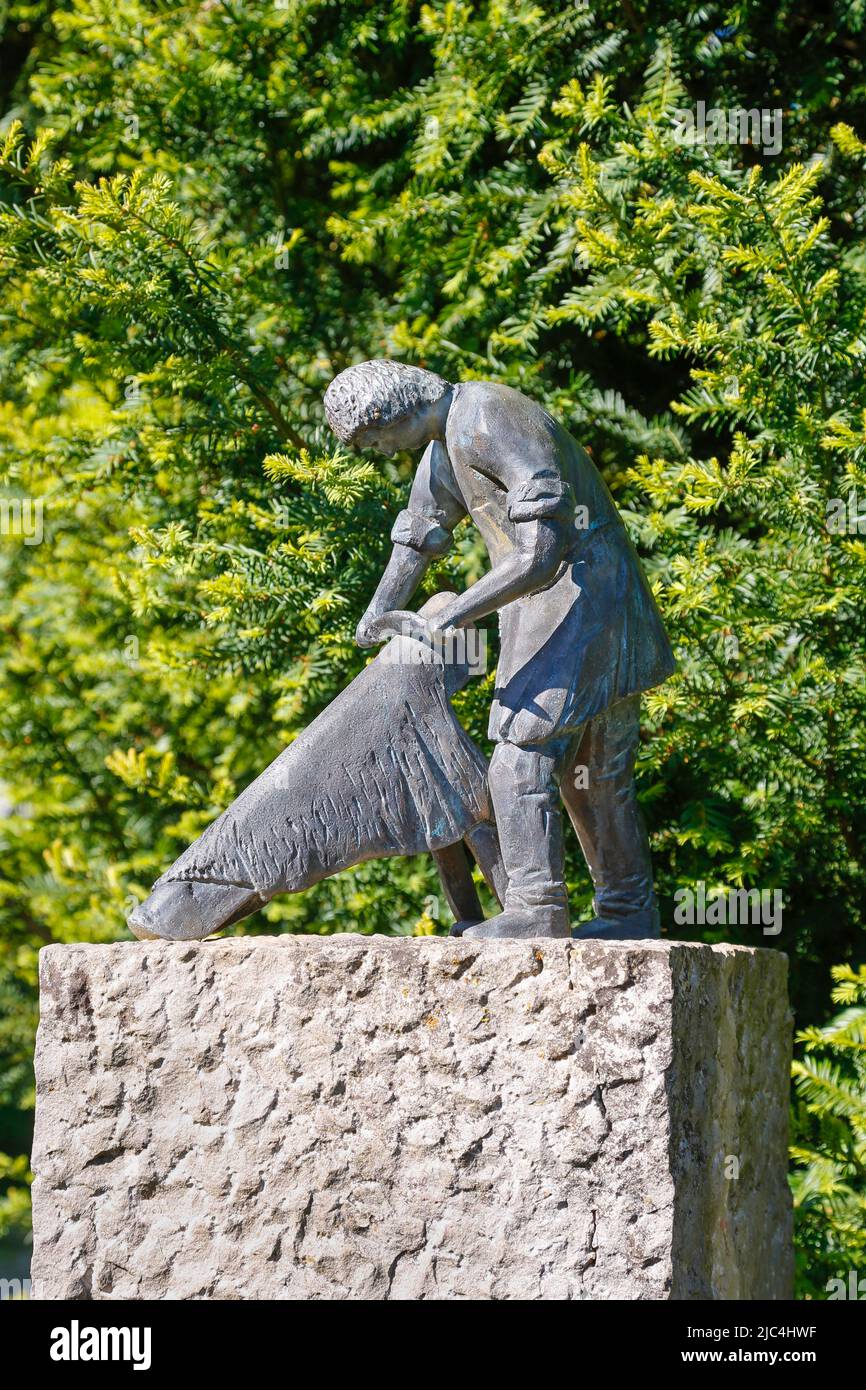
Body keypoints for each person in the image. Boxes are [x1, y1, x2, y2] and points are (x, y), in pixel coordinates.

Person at [324, 360, 676, 940]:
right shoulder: (445, 443)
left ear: (391, 413)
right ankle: (628, 911)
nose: (380, 452)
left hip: (580, 600)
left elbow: (543, 550)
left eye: (374, 439)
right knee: (595, 771)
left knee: (519, 759)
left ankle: (537, 908)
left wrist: (454, 615)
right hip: (581, 604)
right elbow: (421, 531)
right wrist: (377, 614)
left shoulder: (487, 417)